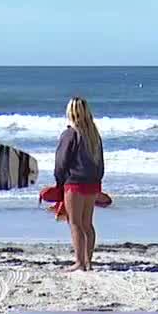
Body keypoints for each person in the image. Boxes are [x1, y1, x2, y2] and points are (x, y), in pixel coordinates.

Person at [55, 96, 106, 271]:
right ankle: (88, 261)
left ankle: (79, 262)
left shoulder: (70, 134)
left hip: (75, 183)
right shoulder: (93, 134)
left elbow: (61, 161)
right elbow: (100, 163)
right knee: (87, 223)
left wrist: (59, 181)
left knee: (75, 222)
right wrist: (98, 182)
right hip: (92, 183)